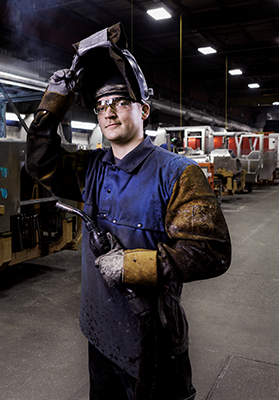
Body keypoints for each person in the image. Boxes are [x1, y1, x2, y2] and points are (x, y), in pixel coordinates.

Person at [25, 23, 231, 400]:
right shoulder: (91, 168)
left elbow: (211, 252)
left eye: (120, 101)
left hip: (153, 339)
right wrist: (52, 102)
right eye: (102, 105)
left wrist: (134, 266)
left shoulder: (178, 173)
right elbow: (40, 163)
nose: (109, 111)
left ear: (144, 110)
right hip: (99, 334)